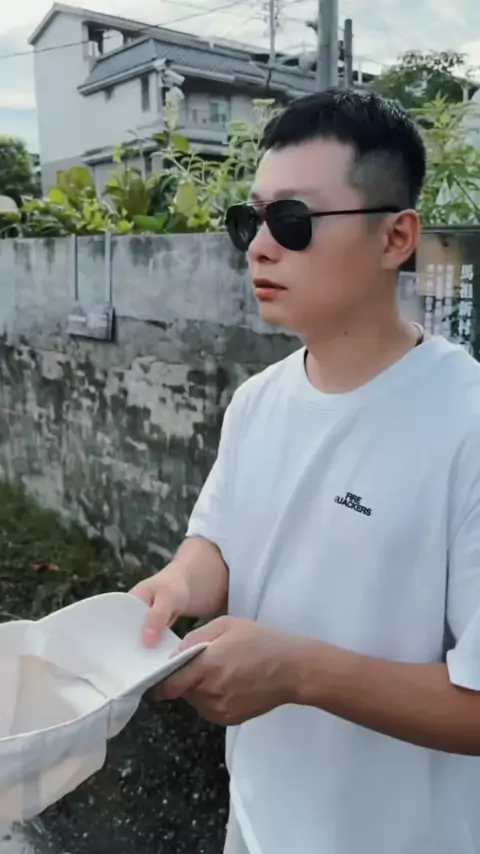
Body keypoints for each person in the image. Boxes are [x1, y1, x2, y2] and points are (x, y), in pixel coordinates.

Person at [131, 89, 480, 854]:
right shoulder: (258, 401)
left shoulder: (466, 425)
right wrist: (177, 586)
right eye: (250, 221)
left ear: (396, 237)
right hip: (255, 824)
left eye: (292, 221)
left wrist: (300, 673)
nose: (260, 247)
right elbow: (222, 540)